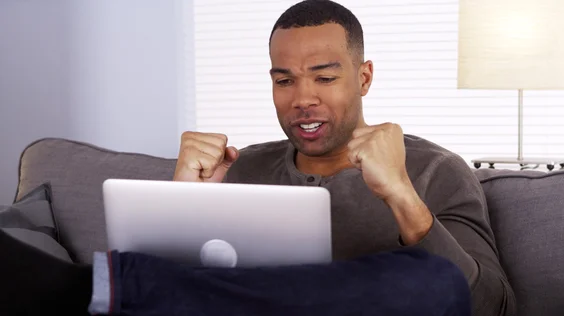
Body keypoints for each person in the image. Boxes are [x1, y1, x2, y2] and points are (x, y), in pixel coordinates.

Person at [0, 1, 515, 315]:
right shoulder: (243, 170)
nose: (302, 97)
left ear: (364, 78)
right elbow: (183, 291)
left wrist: (401, 194)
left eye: (325, 76)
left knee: (432, 281)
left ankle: (83, 290)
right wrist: (183, 202)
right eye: (284, 79)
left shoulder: (435, 170)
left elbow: (488, 307)